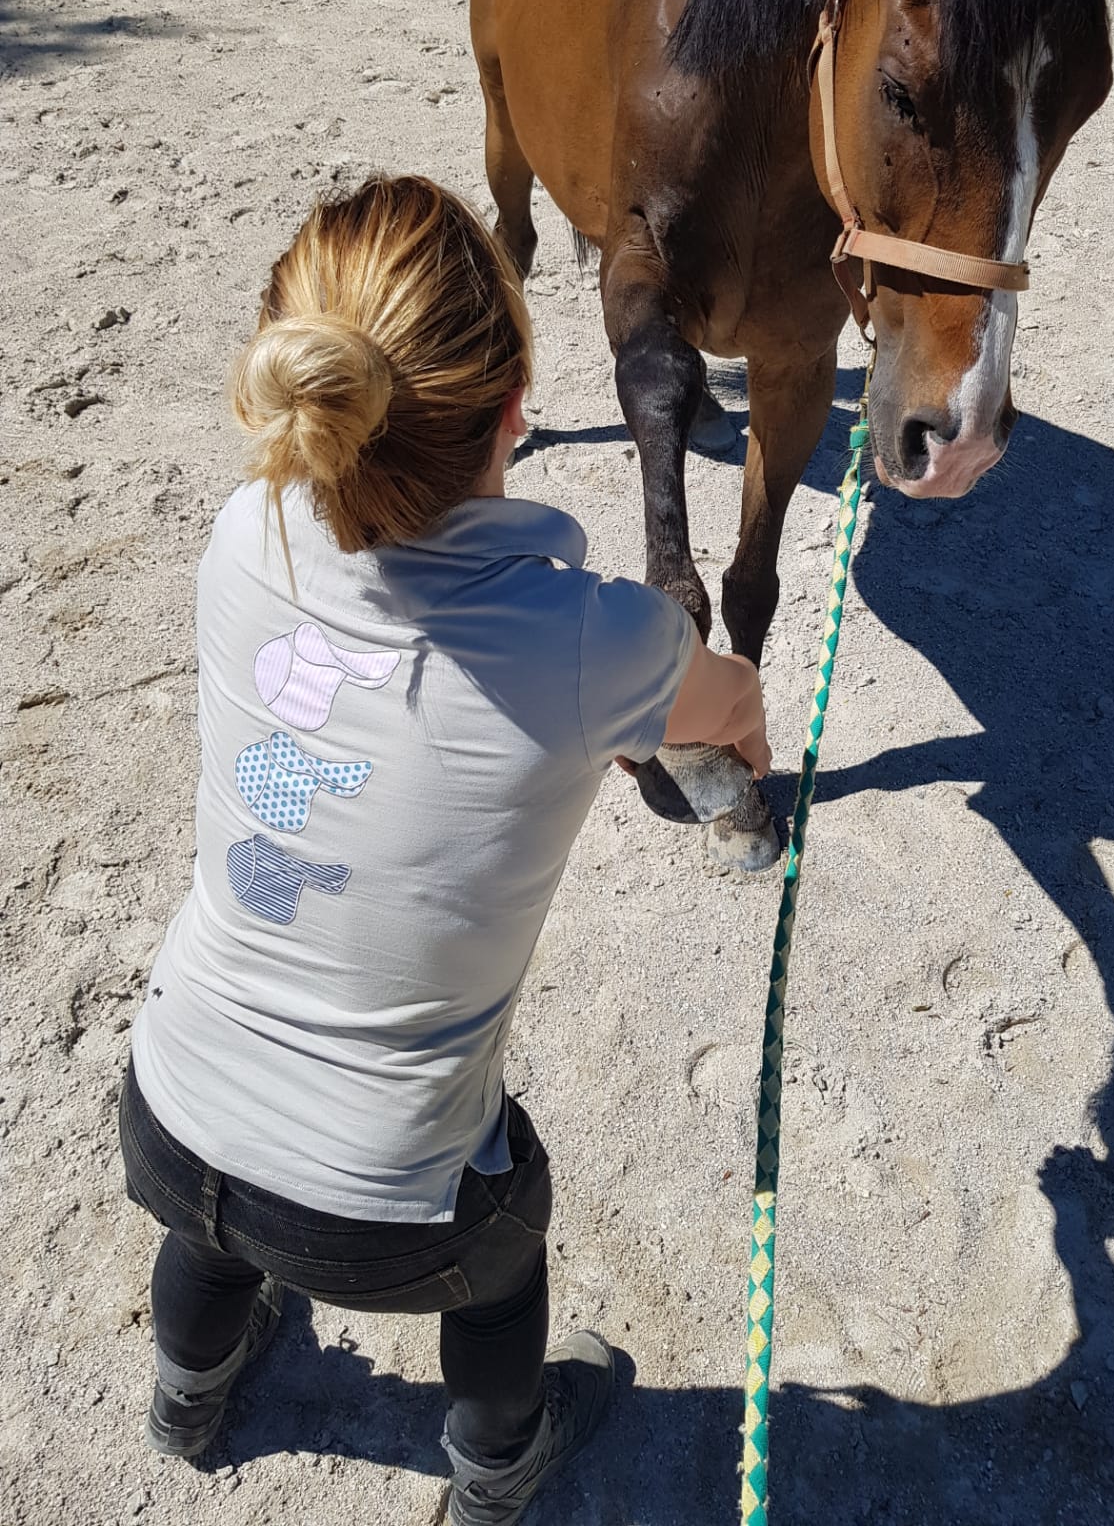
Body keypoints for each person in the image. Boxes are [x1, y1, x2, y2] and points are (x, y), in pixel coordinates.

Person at [119, 174, 770, 1525]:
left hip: (169, 1110)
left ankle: (188, 1395)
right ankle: (496, 1471)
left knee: (214, 1229)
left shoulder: (242, 534)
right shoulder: (596, 637)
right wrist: (727, 734)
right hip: (386, 1216)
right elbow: (728, 706)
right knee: (504, 1250)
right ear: (517, 406)